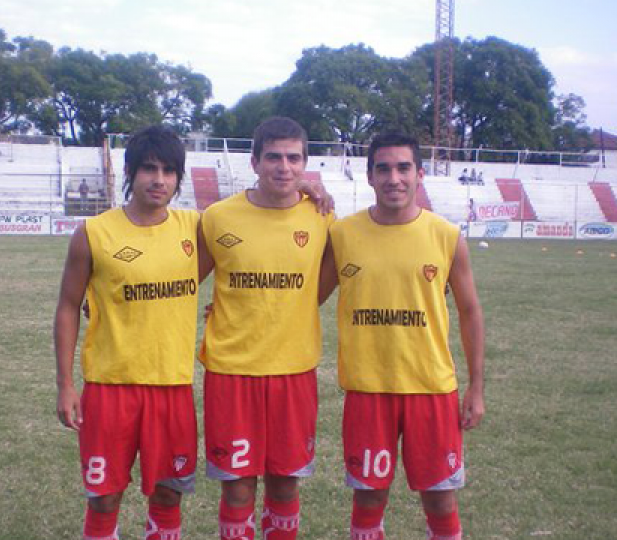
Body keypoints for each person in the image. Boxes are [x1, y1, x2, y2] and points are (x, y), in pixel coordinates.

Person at [319, 131, 485, 540]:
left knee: (441, 499)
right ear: (370, 176)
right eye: (384, 168)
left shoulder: (446, 236)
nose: (394, 178)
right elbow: (304, 300)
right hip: (367, 390)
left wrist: (476, 387)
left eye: (403, 168)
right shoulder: (342, 235)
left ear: (420, 174)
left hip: (431, 390)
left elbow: (470, 312)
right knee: (368, 498)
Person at [54, 125, 210, 540]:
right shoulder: (93, 233)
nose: (159, 180)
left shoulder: (196, 229)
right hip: (110, 387)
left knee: (167, 495)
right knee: (103, 497)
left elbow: (255, 227)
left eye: (169, 171)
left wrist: (306, 188)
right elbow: (69, 306)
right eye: (149, 168)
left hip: (171, 386)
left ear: (179, 177)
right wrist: (66, 384)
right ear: (129, 171)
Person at [198, 116, 334, 540]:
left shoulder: (322, 217)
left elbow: (323, 286)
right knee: (238, 489)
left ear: (305, 164)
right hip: (232, 373)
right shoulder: (218, 217)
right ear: (254, 161)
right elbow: (181, 280)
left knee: (285, 483)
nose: (284, 167)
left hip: (294, 373)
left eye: (294, 158)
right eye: (273, 157)